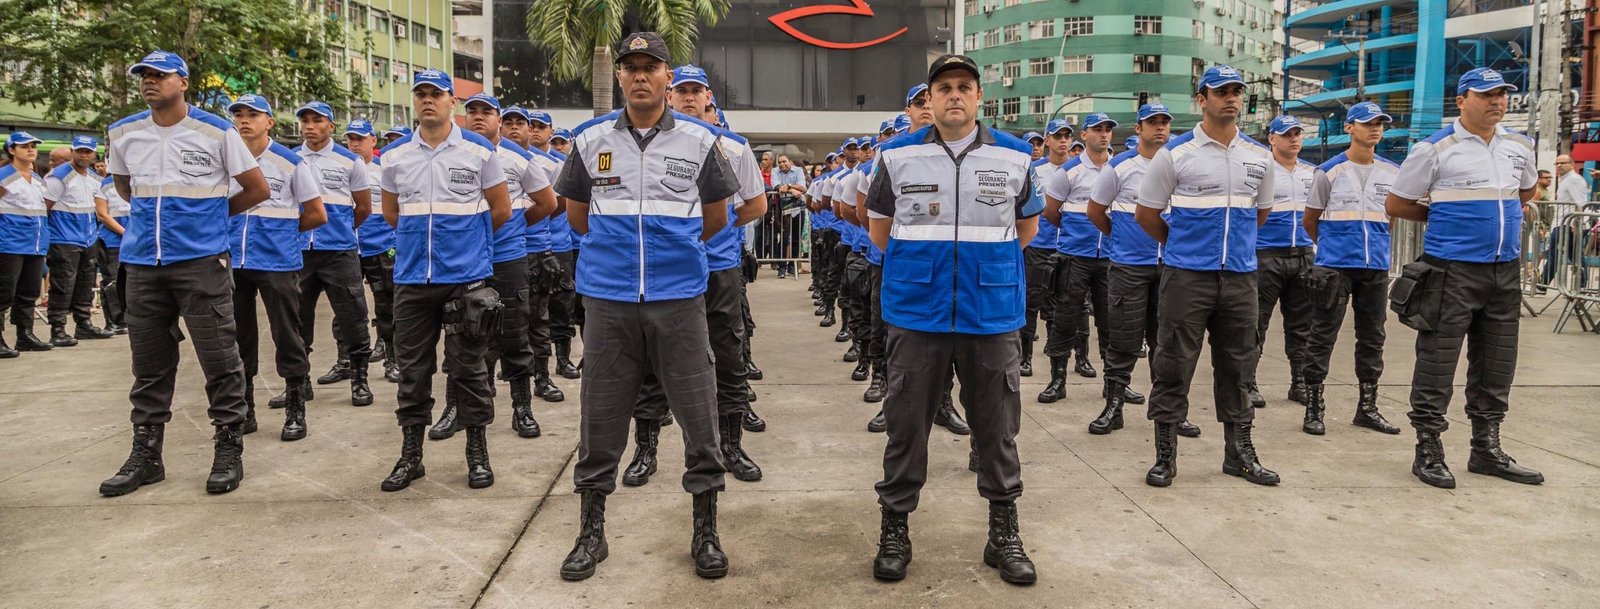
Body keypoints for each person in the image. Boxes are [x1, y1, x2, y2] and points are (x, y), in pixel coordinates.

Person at [552, 32, 741, 581]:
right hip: (608, 302)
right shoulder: (588, 141)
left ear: (666, 76)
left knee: (699, 419)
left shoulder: (701, 142)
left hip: (679, 301)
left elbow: (715, 219)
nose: (639, 76)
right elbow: (577, 216)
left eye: (650, 67)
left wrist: (670, 261)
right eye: (630, 67)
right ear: (619, 78)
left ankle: (704, 529)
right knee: (600, 418)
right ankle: (592, 531)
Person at [866, 54, 1038, 586]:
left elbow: (1025, 228)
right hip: (918, 313)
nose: (955, 96)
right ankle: (895, 528)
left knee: (997, 428)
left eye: (965, 87)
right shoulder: (895, 157)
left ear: (979, 97)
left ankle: (1003, 533)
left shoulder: (1014, 156)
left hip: (990, 314)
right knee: (905, 426)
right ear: (930, 99)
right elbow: (880, 231)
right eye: (944, 88)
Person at [98, 50, 271, 496]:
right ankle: (146, 455)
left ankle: (228, 449)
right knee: (149, 366)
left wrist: (212, 224)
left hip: (200, 263)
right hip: (142, 264)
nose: (149, 82)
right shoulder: (124, 133)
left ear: (184, 82)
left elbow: (257, 189)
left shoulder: (215, 131)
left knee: (219, 358)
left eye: (160, 75)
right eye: (144, 76)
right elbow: (124, 188)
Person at [1385, 67, 1544, 488]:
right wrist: (1442, 217)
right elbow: (1398, 203)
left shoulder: (1520, 146)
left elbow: (1526, 193)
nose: (1497, 101)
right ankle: (1429, 448)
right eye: (1486, 94)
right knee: (1437, 363)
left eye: (1502, 95)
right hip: (1450, 271)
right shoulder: (1435, 149)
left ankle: (1486, 448)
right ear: (1461, 100)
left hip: (1503, 272)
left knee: (1497, 363)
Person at [622, 65, 769, 487]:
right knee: (653, 362)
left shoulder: (733, 147)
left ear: (709, 97)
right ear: (669, 94)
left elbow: (755, 207)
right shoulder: (648, 144)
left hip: (719, 269)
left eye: (696, 91)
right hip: (667, 271)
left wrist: (714, 230)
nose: (688, 97)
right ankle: (646, 449)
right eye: (681, 90)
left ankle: (732, 446)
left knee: (729, 357)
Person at [1136, 64, 1278, 488]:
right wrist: (1182, 248)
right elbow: (1147, 215)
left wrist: (1233, 251)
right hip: (1186, 277)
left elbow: (1260, 215)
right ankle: (1165, 455)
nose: (1231, 98)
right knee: (1173, 363)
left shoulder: (1259, 156)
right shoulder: (1175, 154)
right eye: (1221, 91)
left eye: (1237, 91)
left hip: (1239, 278)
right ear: (1202, 99)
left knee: (1238, 366)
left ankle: (1239, 453)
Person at [376, 69, 515, 492]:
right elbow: (391, 214)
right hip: (414, 280)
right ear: (413, 101)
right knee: (412, 372)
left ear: (451, 101)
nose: (427, 101)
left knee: (469, 370)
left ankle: (477, 453)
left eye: (436, 94)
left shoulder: (477, 150)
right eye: (420, 94)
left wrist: (467, 246)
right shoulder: (395, 156)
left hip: (465, 281)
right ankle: (411, 455)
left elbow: (501, 209)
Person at [435, 93, 558, 442]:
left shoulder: (518, 157)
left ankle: (522, 408)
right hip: (466, 262)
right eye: (471, 111)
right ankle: (455, 406)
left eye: (485, 112)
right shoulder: (452, 154)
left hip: (508, 260)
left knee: (515, 334)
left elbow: (547, 203)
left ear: (499, 119)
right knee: (461, 337)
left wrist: (510, 229)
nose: (477, 117)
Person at [1084, 103, 1200, 437]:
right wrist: (1121, 238)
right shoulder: (1121, 166)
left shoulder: (1183, 162)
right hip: (1129, 266)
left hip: (1173, 266)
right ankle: (1114, 406)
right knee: (1123, 339)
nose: (1160, 128)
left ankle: (1172, 413)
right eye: (1152, 122)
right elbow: (1096, 211)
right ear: (1139, 129)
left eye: (1165, 121)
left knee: (1170, 343)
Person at [1298, 102, 1405, 437]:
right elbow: (1310, 221)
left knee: (1373, 337)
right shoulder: (1328, 171)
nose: (1375, 129)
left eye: (1379, 124)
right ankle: (1314, 406)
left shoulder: (1391, 172)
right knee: (1321, 336)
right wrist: (1331, 249)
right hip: (1334, 268)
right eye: (1367, 123)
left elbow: (1390, 219)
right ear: (1350, 128)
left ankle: (1368, 407)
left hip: (1374, 267)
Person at [225, 93, 328, 440]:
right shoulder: (224, 160)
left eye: (253, 114)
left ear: (269, 121)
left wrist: (283, 234)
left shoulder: (290, 162)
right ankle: (246, 408)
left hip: (277, 262)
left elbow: (316, 213)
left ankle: (295, 405)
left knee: (287, 334)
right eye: (238, 113)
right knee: (238, 337)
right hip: (232, 262)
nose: (244, 120)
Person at [288, 101, 375, 409]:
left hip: (339, 250)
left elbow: (363, 207)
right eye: (305, 120)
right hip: (299, 251)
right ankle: (299, 383)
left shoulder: (350, 161)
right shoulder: (290, 159)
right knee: (297, 319)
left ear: (331, 126)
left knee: (353, 316)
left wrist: (341, 230)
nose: (310, 126)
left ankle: (359, 379)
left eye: (317, 120)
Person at [1040, 113, 1127, 407]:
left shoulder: (1119, 169)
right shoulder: (1069, 171)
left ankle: (1114, 385)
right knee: (1065, 318)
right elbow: (1051, 212)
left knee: (1111, 321)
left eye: (1107, 130)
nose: (1104, 135)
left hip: (1110, 258)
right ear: (1084, 135)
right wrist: (1075, 236)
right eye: (1097, 130)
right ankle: (1058, 379)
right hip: (1074, 256)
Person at [1248, 116, 1318, 409]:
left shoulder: (1313, 173)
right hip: (1266, 256)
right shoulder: (1261, 170)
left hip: (1302, 255)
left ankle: (1298, 381)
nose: (1293, 138)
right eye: (1286, 134)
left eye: (1297, 133)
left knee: (1302, 325)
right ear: (1271, 139)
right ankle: (1248, 381)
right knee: (1255, 322)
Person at [501, 106, 569, 406]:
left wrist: (522, 224)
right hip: (498, 254)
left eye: (522, 123)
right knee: (489, 323)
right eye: (509, 122)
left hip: (535, 250)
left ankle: (542, 377)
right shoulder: (488, 158)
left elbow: (558, 204)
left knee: (538, 321)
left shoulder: (546, 163)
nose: (515, 128)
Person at [43, 135, 116, 345]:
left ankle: (83, 325)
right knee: (63, 285)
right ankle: (57, 330)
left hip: (88, 238)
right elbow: (45, 209)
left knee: (85, 283)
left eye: (88, 152)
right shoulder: (58, 177)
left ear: (94, 154)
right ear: (72, 152)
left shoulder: (94, 178)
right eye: (80, 151)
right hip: (64, 239)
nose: (84, 155)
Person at [345, 118, 401, 384]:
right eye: (350, 139)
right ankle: (345, 359)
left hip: (382, 247)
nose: (354, 144)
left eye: (359, 139)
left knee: (386, 304)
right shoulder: (343, 166)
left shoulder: (384, 169)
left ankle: (392, 358)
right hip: (350, 248)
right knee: (347, 307)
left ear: (372, 141)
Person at [1020, 120, 1068, 380]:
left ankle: (1061, 354)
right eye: (1057, 136)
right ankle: (1024, 356)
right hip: (1038, 246)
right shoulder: (1034, 169)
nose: (1062, 140)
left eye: (1066, 136)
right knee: (1031, 301)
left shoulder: (1075, 169)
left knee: (1062, 304)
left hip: (1066, 248)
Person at [0, 131, 50, 358]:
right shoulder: (4, 176)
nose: (31, 150)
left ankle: (25, 334)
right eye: (24, 146)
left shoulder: (38, 179)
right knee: (4, 292)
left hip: (35, 244)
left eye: (33, 146)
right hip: (9, 243)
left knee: (29, 291)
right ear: (12, 150)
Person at [92, 168, 129, 335]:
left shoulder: (138, 181)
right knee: (112, 281)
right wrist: (125, 233)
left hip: (136, 242)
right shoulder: (105, 185)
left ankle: (128, 319)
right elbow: (102, 214)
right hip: (113, 241)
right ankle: (114, 322)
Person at [1546, 154, 1591, 286]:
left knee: (1557, 254)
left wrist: (1576, 222)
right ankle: (1580, 285)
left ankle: (1543, 283)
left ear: (1572, 164)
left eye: (1563, 163)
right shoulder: (1565, 180)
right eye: (1557, 163)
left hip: (1569, 224)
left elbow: (1581, 203)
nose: (1559, 165)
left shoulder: (1573, 180)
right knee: (1573, 256)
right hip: (1563, 223)